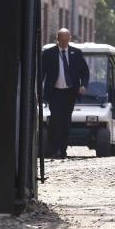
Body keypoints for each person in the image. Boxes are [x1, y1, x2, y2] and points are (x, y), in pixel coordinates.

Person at [41, 29, 89, 159]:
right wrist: (39, 89)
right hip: (55, 93)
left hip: (70, 93)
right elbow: (41, 73)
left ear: (69, 39)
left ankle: (63, 150)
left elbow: (85, 72)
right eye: (61, 39)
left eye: (66, 39)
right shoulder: (48, 53)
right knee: (56, 120)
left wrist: (83, 85)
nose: (64, 42)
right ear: (57, 39)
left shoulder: (76, 53)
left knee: (66, 122)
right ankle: (54, 148)